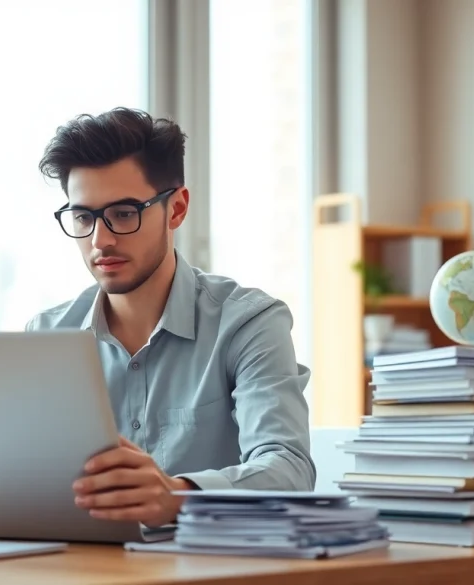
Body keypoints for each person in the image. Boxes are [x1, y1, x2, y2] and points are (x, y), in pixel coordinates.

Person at [26, 107, 315, 528]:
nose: (100, 241)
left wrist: (177, 495)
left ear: (176, 209)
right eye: (84, 217)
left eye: (124, 213)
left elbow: (289, 469)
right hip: (86, 558)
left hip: (208, 559)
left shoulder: (249, 323)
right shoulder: (48, 335)